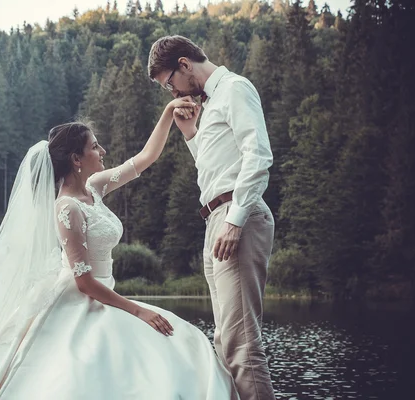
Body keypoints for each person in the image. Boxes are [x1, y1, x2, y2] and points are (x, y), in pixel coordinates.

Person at [0, 97, 238, 399]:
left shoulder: (94, 188)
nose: (103, 151)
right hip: (82, 298)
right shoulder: (66, 208)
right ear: (76, 158)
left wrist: (168, 113)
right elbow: (83, 282)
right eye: (95, 147)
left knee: (182, 344)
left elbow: (145, 158)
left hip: (105, 293)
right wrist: (138, 310)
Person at [147, 35, 276, 400]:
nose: (172, 92)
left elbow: (258, 156)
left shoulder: (235, 88)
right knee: (224, 341)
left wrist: (235, 221)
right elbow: (215, 168)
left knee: (241, 345)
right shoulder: (213, 101)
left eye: (170, 82)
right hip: (216, 219)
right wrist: (191, 134)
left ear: (185, 64)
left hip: (238, 217)